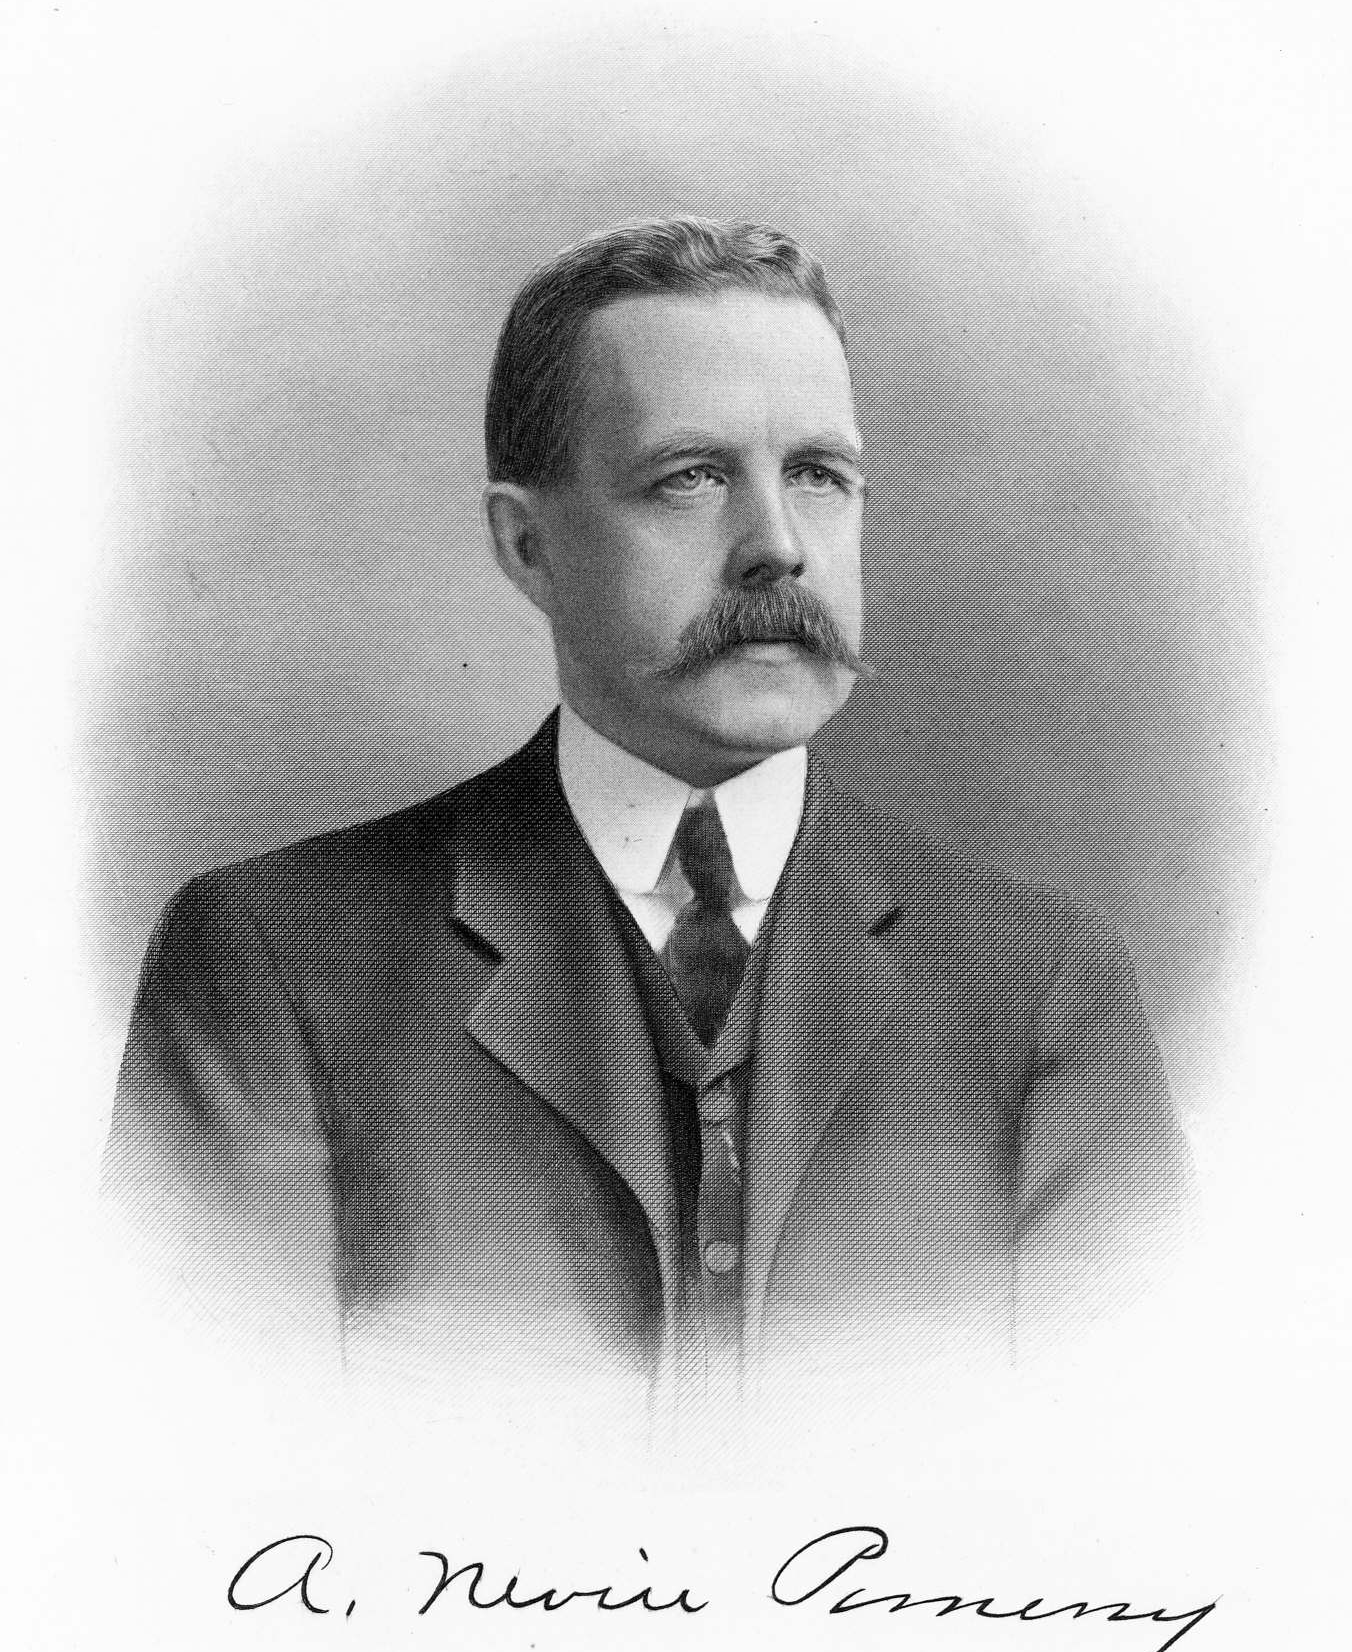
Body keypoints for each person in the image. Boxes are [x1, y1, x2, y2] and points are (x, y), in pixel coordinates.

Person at [104, 217, 1190, 1422]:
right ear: (527, 545)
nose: (777, 547)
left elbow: (1108, 1474)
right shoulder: (272, 962)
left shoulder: (1041, 984)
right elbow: (215, 1478)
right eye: (691, 476)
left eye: (819, 475)